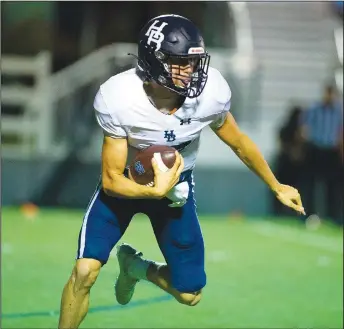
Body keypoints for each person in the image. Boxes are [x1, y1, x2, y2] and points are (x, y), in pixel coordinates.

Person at [58, 14, 305, 329]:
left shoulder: (210, 93)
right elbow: (110, 181)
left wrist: (276, 184)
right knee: (85, 271)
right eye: (179, 62)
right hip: (124, 186)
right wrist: (152, 190)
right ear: (154, 60)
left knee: (190, 293)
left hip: (176, 190)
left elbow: (239, 142)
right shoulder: (119, 97)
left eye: (194, 62)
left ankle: (136, 267)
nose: (190, 72)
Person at [301, 85, 343, 225]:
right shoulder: (314, 109)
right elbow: (305, 128)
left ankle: (332, 216)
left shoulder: (338, 111)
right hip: (316, 149)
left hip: (331, 151)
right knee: (311, 184)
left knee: (332, 186)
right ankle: (309, 215)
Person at [273, 106, 307, 216]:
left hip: (294, 166)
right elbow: (283, 146)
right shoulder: (287, 129)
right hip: (287, 165)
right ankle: (282, 212)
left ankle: (292, 211)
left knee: (294, 189)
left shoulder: (300, 130)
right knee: (284, 189)